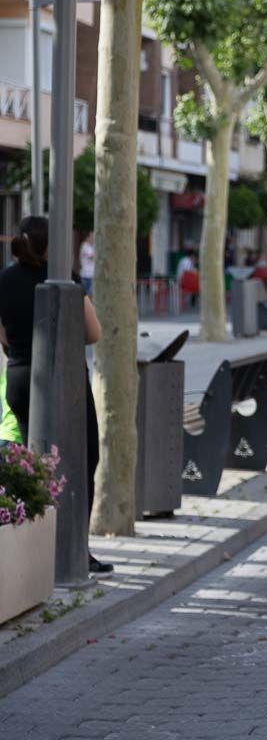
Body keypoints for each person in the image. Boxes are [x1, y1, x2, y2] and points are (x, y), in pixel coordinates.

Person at [0, 216, 109, 575]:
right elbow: (93, 333)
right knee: (81, 462)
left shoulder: (4, 280)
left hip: (19, 376)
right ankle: (76, 551)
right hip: (66, 384)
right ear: (53, 245)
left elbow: (1, 334)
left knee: (35, 463)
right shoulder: (66, 282)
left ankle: (36, 550)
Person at [78, 232, 95, 296]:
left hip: (92, 275)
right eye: (92, 236)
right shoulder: (84, 246)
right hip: (85, 275)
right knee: (83, 295)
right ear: (88, 237)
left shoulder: (93, 247)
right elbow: (92, 257)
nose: (93, 238)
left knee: (91, 295)